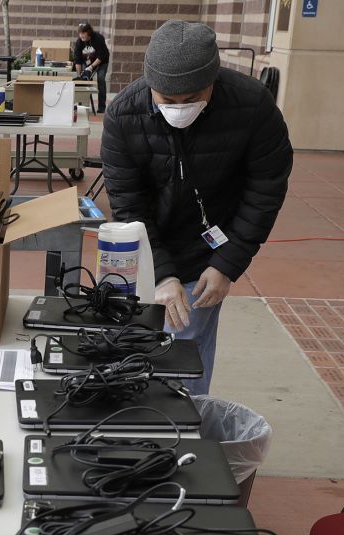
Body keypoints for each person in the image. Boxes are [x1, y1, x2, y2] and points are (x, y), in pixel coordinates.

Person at [101, 20, 293, 396]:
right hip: (140, 245)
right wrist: (160, 273)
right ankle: (126, 423)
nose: (179, 109)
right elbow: (128, 202)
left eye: (191, 99)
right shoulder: (124, 115)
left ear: (213, 80)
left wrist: (227, 264)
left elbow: (265, 190)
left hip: (207, 249)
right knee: (124, 341)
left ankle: (183, 431)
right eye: (167, 100)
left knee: (184, 345)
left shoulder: (253, 107)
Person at [73, 22, 110, 114]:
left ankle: (101, 107)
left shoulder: (98, 38)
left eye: (83, 33)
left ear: (88, 32)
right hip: (87, 61)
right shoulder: (79, 42)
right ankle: (84, 105)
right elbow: (77, 60)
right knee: (85, 79)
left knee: (101, 79)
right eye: (80, 33)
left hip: (101, 62)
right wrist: (79, 75)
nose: (81, 35)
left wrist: (91, 67)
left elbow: (102, 56)